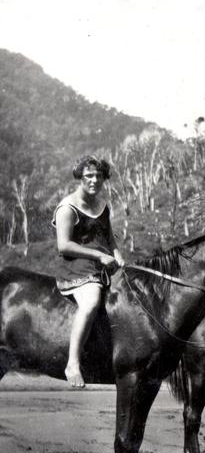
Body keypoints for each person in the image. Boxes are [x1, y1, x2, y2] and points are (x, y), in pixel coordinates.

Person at [52, 155, 125, 389]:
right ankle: (73, 363)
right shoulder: (67, 207)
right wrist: (99, 256)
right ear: (80, 177)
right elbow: (63, 245)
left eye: (98, 176)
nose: (94, 180)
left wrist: (118, 255)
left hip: (102, 264)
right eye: (88, 176)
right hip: (76, 266)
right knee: (92, 301)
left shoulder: (102, 205)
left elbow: (109, 237)